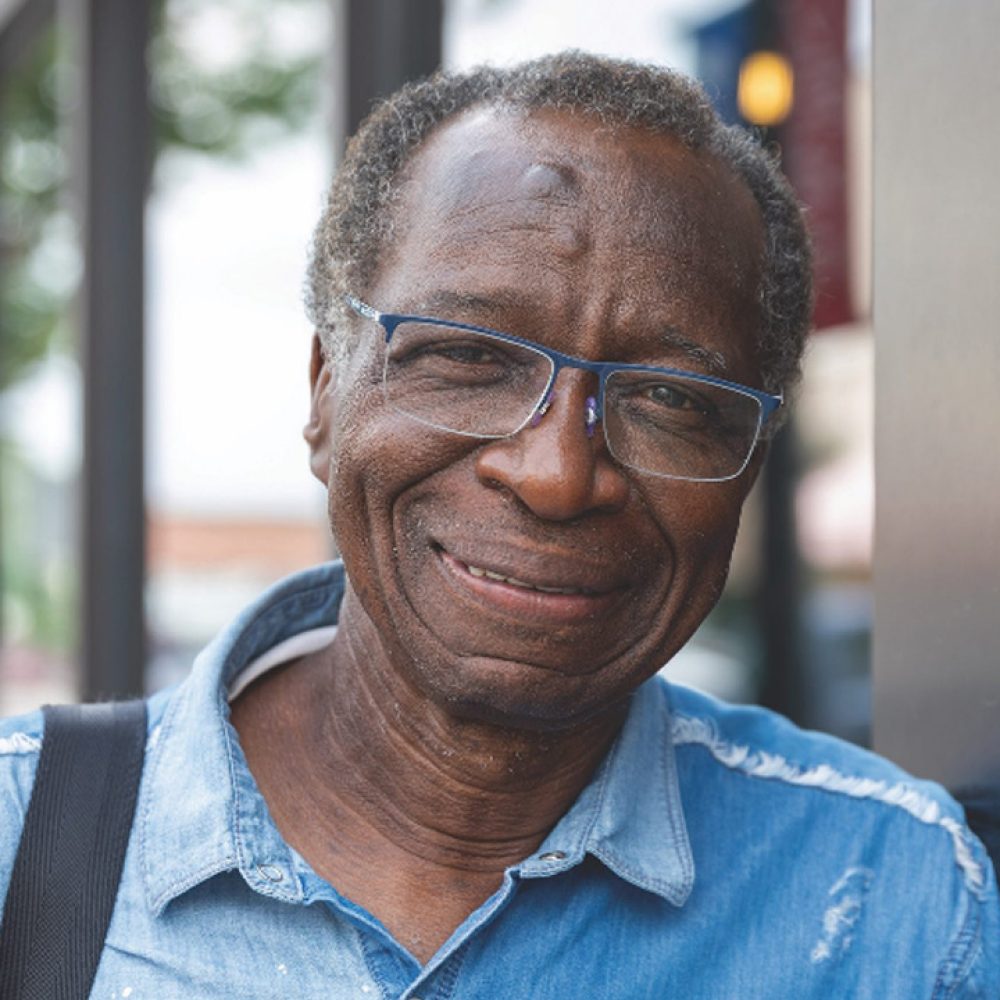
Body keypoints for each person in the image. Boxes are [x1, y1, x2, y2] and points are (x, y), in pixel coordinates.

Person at [1, 52, 997, 998]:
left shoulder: (890, 903)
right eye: (470, 359)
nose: (558, 472)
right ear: (323, 393)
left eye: (671, 399)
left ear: (749, 465)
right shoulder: (22, 844)